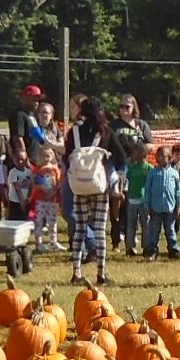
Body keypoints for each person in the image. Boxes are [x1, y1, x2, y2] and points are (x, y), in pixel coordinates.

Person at [63, 95, 112, 284]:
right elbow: (121, 156)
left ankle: (76, 272)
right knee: (99, 229)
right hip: (98, 185)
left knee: (80, 228)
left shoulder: (73, 132)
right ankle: (101, 273)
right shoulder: (104, 132)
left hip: (79, 185)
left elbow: (67, 157)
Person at [141, 144, 180, 258]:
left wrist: (179, 206)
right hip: (155, 208)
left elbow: (178, 191)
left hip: (170, 208)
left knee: (170, 230)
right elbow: (148, 190)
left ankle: (174, 250)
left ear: (169, 158)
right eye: (157, 155)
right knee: (154, 231)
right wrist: (147, 206)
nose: (158, 158)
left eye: (162, 156)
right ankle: (152, 250)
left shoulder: (174, 174)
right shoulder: (153, 173)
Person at [29, 142, 61, 250]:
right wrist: (40, 188)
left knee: (53, 222)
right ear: (39, 156)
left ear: (52, 156)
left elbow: (58, 182)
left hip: (52, 200)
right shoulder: (37, 169)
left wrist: (54, 192)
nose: (46, 158)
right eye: (43, 156)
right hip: (40, 200)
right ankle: (39, 243)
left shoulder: (55, 169)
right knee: (38, 221)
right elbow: (33, 184)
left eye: (48, 156)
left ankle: (54, 242)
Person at [8, 82, 45, 151]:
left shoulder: (32, 115)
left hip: (35, 159)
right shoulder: (18, 115)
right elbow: (18, 138)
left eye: (38, 100)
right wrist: (23, 156)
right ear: (24, 98)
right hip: (24, 159)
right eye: (34, 99)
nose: (37, 102)